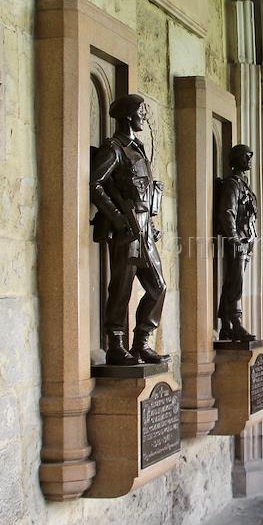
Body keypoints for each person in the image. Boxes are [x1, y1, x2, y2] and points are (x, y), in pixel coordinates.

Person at [91, 93, 168, 364]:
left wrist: (151, 225)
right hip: (126, 229)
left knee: (158, 287)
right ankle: (115, 345)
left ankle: (141, 343)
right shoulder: (114, 149)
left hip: (144, 228)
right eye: (140, 112)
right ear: (127, 116)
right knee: (121, 288)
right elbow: (95, 184)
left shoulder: (139, 148)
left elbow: (143, 192)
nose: (143, 117)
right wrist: (117, 218)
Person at [215, 144, 258, 341]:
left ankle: (225, 326)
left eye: (250, 156)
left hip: (247, 240)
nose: (249, 160)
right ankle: (236, 322)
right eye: (245, 156)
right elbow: (227, 212)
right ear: (236, 159)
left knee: (232, 282)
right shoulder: (232, 184)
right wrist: (234, 238)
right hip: (238, 240)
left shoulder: (245, 185)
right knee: (236, 284)